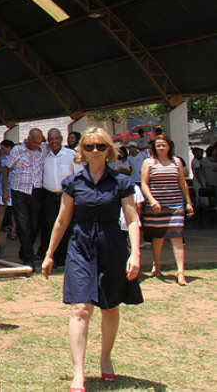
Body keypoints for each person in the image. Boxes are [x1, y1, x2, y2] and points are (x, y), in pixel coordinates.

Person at [41, 128, 142, 392]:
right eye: (89, 147)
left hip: (112, 247)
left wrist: (135, 253)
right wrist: (49, 254)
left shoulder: (121, 182)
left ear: (108, 150)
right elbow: (62, 220)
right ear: (82, 151)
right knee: (80, 309)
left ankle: (105, 358)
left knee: (110, 307)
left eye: (100, 146)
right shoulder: (73, 183)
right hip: (80, 247)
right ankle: (78, 373)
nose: (94, 151)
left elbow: (132, 220)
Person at [141, 133, 194, 285]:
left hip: (175, 204)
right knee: (158, 238)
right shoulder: (149, 162)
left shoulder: (176, 162)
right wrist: (151, 200)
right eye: (158, 146)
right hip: (156, 207)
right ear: (154, 148)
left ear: (169, 146)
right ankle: (156, 265)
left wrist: (188, 202)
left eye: (164, 145)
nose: (161, 148)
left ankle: (181, 272)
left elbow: (182, 183)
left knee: (177, 237)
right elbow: (144, 184)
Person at [1, 128, 49, 269]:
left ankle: (24, 250)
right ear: (28, 138)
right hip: (19, 192)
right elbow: (6, 169)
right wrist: (5, 191)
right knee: (24, 226)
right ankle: (29, 259)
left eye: (39, 142)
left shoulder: (43, 149)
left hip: (36, 192)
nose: (37, 145)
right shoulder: (17, 151)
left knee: (34, 226)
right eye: (34, 142)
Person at [41, 128, 79, 267]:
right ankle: (54, 257)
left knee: (67, 226)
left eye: (56, 138)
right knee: (52, 226)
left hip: (67, 196)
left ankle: (66, 256)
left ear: (62, 139)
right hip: (49, 196)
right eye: (51, 139)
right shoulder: (44, 156)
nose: (54, 141)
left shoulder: (71, 155)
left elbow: (78, 175)